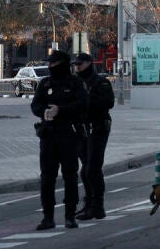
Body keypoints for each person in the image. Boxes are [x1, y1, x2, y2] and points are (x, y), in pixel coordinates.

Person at [30, 50, 88, 230]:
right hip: (48, 135)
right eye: (49, 63)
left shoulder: (75, 83)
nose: (50, 67)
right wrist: (44, 112)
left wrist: (60, 110)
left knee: (70, 175)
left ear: (62, 63)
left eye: (53, 63)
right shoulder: (45, 83)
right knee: (47, 177)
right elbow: (35, 104)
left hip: (68, 134)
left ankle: (70, 215)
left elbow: (82, 104)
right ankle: (48, 217)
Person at [73, 52, 113, 220]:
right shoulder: (76, 82)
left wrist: (86, 99)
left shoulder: (100, 82)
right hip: (82, 129)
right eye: (76, 64)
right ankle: (89, 204)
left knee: (92, 168)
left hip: (98, 128)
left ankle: (98, 206)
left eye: (80, 64)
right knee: (85, 169)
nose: (77, 67)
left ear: (89, 63)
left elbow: (108, 103)